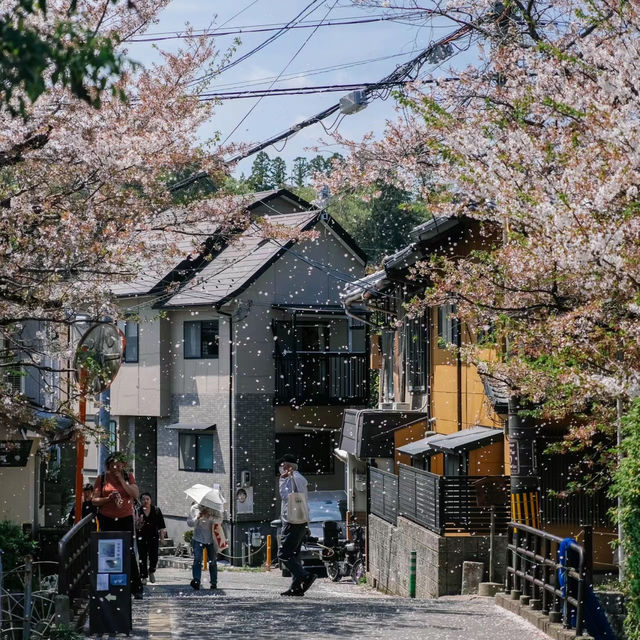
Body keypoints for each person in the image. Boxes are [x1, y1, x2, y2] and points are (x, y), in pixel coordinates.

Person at [91, 451, 144, 599]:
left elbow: (134, 494)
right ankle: (109, 586)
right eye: (113, 464)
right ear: (108, 465)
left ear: (123, 465)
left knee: (128, 551)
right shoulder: (101, 479)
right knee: (108, 552)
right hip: (106, 518)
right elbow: (94, 500)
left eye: (119, 464)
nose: (116, 467)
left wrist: (121, 480)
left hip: (124, 518)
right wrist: (108, 498)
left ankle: (136, 587)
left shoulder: (128, 477)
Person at [277, 453, 316, 597]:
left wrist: (282, 481)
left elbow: (286, 497)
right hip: (300, 521)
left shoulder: (295, 478)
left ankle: (304, 576)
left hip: (292, 522)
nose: (281, 469)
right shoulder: (297, 478)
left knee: (284, 554)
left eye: (282, 466)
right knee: (294, 554)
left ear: (288, 466)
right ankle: (295, 587)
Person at [187, 503, 221, 590]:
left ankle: (214, 583)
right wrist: (197, 517)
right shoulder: (194, 508)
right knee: (197, 559)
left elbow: (220, 520)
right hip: (198, 538)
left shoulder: (214, 508)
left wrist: (209, 516)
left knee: (212, 561)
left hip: (211, 539)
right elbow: (190, 523)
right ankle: (196, 580)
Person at [136, 492, 166, 585]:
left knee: (154, 556)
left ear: (150, 500)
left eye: (147, 499)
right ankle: (143, 577)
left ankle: (151, 570)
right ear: (140, 501)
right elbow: (136, 527)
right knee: (142, 557)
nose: (145, 501)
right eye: (143, 499)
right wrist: (140, 523)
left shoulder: (156, 510)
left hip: (153, 537)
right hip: (141, 537)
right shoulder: (138, 511)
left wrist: (162, 538)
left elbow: (161, 526)